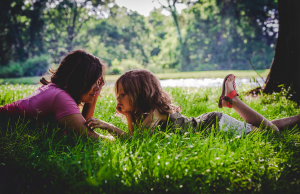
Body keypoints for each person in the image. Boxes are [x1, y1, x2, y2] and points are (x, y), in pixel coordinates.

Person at [86, 69, 300, 136]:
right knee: (260, 127)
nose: (118, 98)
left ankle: (232, 99)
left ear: (140, 94)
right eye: (118, 95)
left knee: (270, 132)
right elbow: (136, 137)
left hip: (214, 126)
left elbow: (136, 141)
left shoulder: (153, 112)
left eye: (122, 94)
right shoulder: (144, 113)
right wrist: (127, 116)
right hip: (211, 123)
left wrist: (109, 127)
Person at [0, 50, 113, 140]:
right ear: (78, 80)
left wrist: (94, 95)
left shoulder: (57, 91)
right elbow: (89, 137)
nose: (98, 87)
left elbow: (84, 123)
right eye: (93, 81)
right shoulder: (60, 97)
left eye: (98, 82)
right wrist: (117, 135)